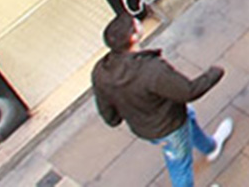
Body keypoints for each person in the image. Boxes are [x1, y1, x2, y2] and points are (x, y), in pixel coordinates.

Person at [92, 14, 233, 187]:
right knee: (180, 166)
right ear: (133, 37)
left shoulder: (101, 71)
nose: (139, 22)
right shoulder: (151, 70)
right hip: (169, 126)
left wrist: (117, 117)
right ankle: (209, 150)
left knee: (189, 118)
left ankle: (210, 147)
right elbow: (188, 91)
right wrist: (214, 74)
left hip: (148, 125)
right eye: (135, 23)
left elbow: (109, 115)